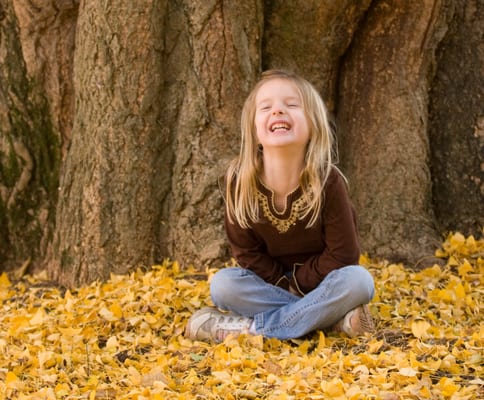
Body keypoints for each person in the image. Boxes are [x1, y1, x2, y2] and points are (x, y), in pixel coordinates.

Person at [185, 69, 375, 343]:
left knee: (359, 282)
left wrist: (300, 284)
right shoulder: (240, 182)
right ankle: (329, 320)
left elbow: (343, 254)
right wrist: (285, 286)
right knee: (223, 285)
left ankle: (250, 330)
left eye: (292, 105)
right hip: (267, 286)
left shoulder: (327, 181)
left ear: (313, 124)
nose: (277, 112)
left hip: (323, 285)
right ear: (254, 130)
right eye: (266, 107)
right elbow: (247, 254)